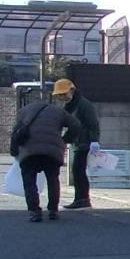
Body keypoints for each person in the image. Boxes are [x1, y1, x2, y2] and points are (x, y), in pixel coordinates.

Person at [11, 90, 83, 223]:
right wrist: (65, 139)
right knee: (53, 180)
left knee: (29, 181)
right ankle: (53, 210)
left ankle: (34, 211)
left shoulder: (25, 111)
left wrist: (14, 151)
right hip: (52, 150)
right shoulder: (58, 111)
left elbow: (16, 131)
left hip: (29, 151)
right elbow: (76, 124)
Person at [59, 77, 101, 211]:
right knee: (77, 170)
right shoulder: (70, 105)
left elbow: (93, 123)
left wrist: (94, 140)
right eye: (60, 95)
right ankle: (81, 199)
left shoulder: (83, 104)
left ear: (72, 90)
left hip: (84, 142)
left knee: (78, 170)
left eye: (64, 94)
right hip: (77, 142)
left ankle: (82, 199)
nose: (62, 97)